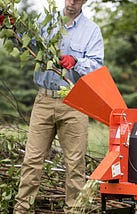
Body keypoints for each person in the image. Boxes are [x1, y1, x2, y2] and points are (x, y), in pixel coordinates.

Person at [13, 0, 104, 213]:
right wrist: (12, 29)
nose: (72, 2)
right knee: (32, 159)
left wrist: (76, 61)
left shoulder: (91, 31)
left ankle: (73, 210)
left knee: (75, 163)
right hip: (44, 100)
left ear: (85, 1)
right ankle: (21, 209)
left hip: (75, 102)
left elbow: (97, 64)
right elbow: (26, 44)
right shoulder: (45, 23)